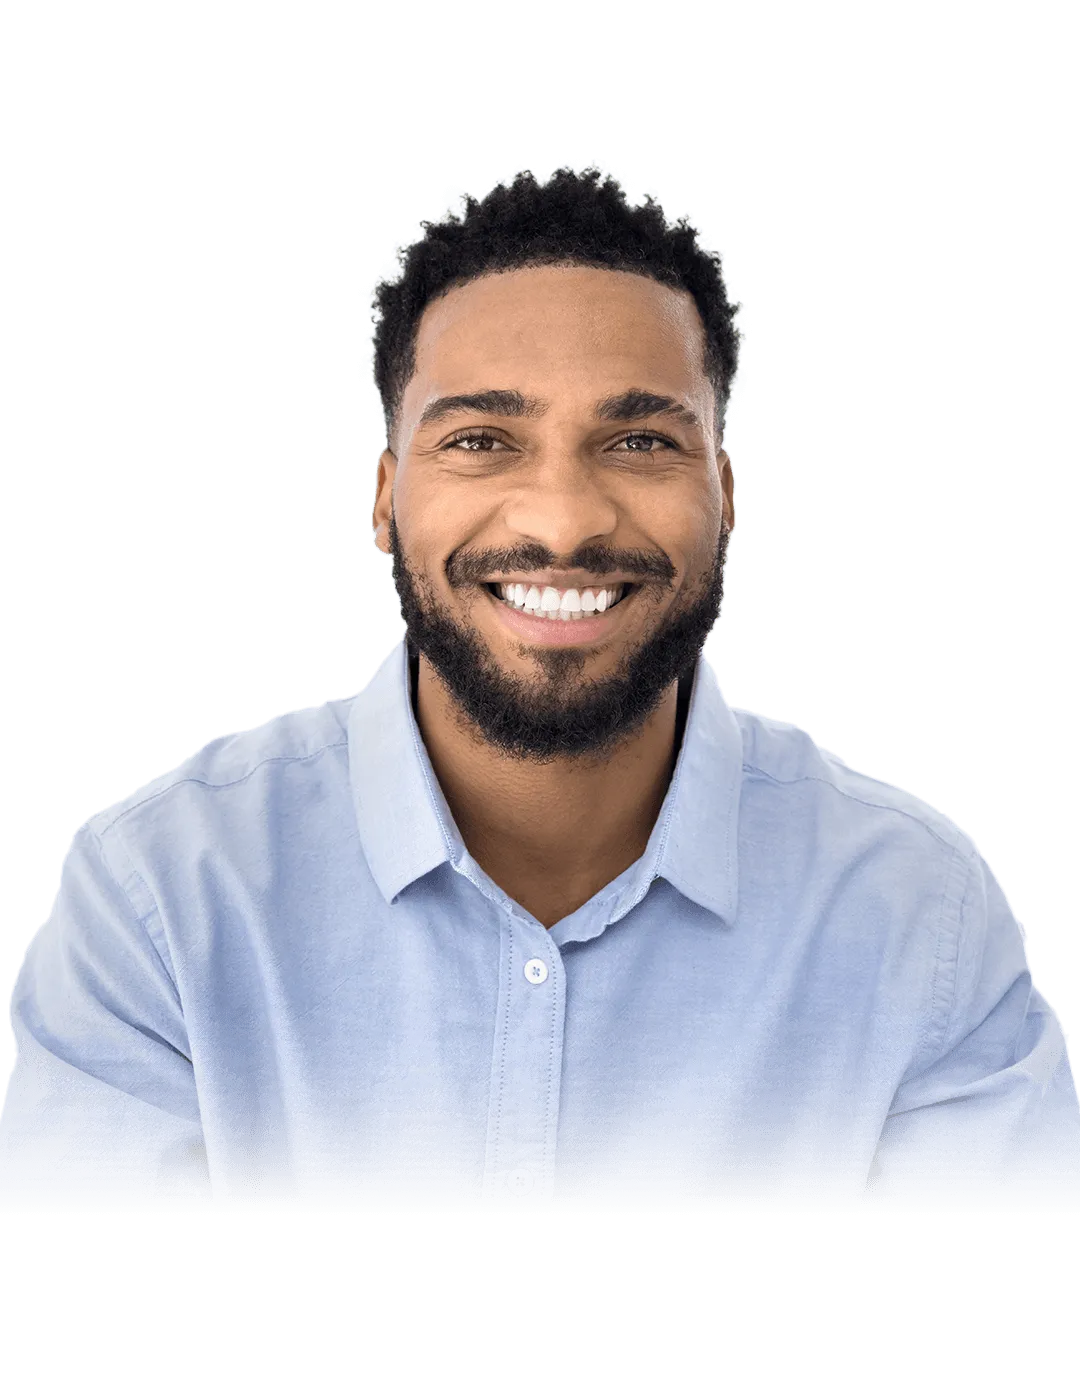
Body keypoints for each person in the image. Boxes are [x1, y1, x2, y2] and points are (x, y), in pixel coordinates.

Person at [2, 166, 1076, 1204]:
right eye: (479, 438)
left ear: (727, 494)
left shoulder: (922, 920)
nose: (563, 521)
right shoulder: (155, 901)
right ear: (383, 498)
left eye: (642, 439)